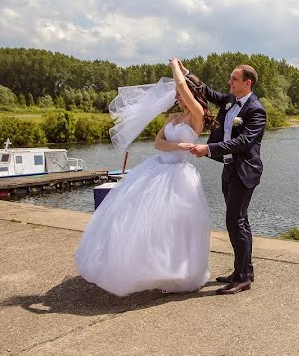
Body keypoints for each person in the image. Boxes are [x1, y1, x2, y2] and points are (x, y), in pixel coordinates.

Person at [74, 59, 214, 296]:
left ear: (190, 93)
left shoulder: (197, 116)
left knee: (178, 224)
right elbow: (158, 143)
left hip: (179, 175)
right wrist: (178, 143)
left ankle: (181, 273)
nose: (177, 98)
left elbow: (181, 85)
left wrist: (175, 67)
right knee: (148, 222)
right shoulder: (173, 118)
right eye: (177, 95)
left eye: (180, 94)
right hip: (158, 169)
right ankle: (155, 269)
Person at [184, 62, 267, 295]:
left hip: (244, 171)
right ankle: (244, 270)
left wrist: (208, 149)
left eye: (234, 79)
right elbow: (207, 92)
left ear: (247, 83)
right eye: (230, 79)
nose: (230, 83)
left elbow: (243, 143)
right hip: (229, 169)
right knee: (240, 221)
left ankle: (242, 278)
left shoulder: (256, 110)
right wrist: (186, 73)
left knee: (235, 222)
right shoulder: (230, 101)